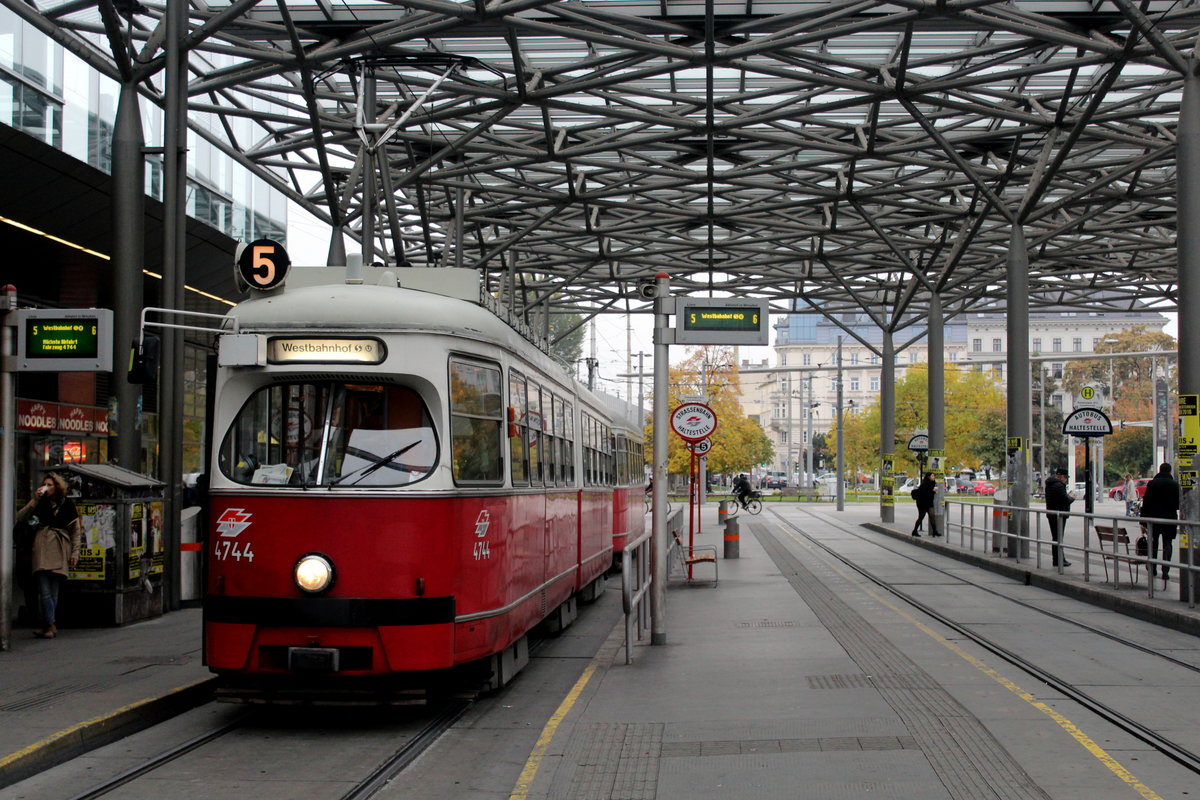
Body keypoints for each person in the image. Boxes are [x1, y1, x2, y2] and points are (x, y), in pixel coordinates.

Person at [15, 473, 82, 639]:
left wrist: (75, 553)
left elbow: (76, 532)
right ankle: (50, 624)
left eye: (50, 484)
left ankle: (48, 624)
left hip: (59, 548)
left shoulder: (66, 504)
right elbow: (20, 517)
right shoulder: (40, 503)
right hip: (42, 547)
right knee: (45, 590)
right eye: (45, 484)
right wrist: (34, 500)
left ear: (57, 487)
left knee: (53, 591)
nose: (47, 487)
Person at [1139, 462, 1180, 583]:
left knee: (1153, 543)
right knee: (1167, 544)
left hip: (1153, 519)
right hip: (1169, 518)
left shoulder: (1152, 484)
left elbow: (1145, 502)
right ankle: (1165, 571)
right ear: (1170, 471)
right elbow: (1177, 504)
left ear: (1160, 470)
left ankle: (1153, 568)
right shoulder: (1174, 484)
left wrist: (1143, 520)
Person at [1044, 467, 1073, 567]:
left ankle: (1057, 559)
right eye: (1065, 477)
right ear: (1060, 476)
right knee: (1059, 538)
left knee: (1056, 537)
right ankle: (1059, 560)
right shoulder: (1059, 485)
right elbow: (1065, 500)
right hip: (1059, 515)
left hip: (1051, 514)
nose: (1066, 479)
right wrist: (1072, 498)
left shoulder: (1049, 484)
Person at [911, 473, 939, 537]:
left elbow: (930, 493)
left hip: (929, 503)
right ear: (928, 477)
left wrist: (933, 491)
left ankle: (934, 531)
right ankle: (914, 531)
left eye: (933, 475)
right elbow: (925, 493)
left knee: (932, 515)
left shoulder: (933, 483)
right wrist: (933, 491)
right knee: (921, 517)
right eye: (932, 475)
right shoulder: (924, 484)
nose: (933, 477)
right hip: (922, 503)